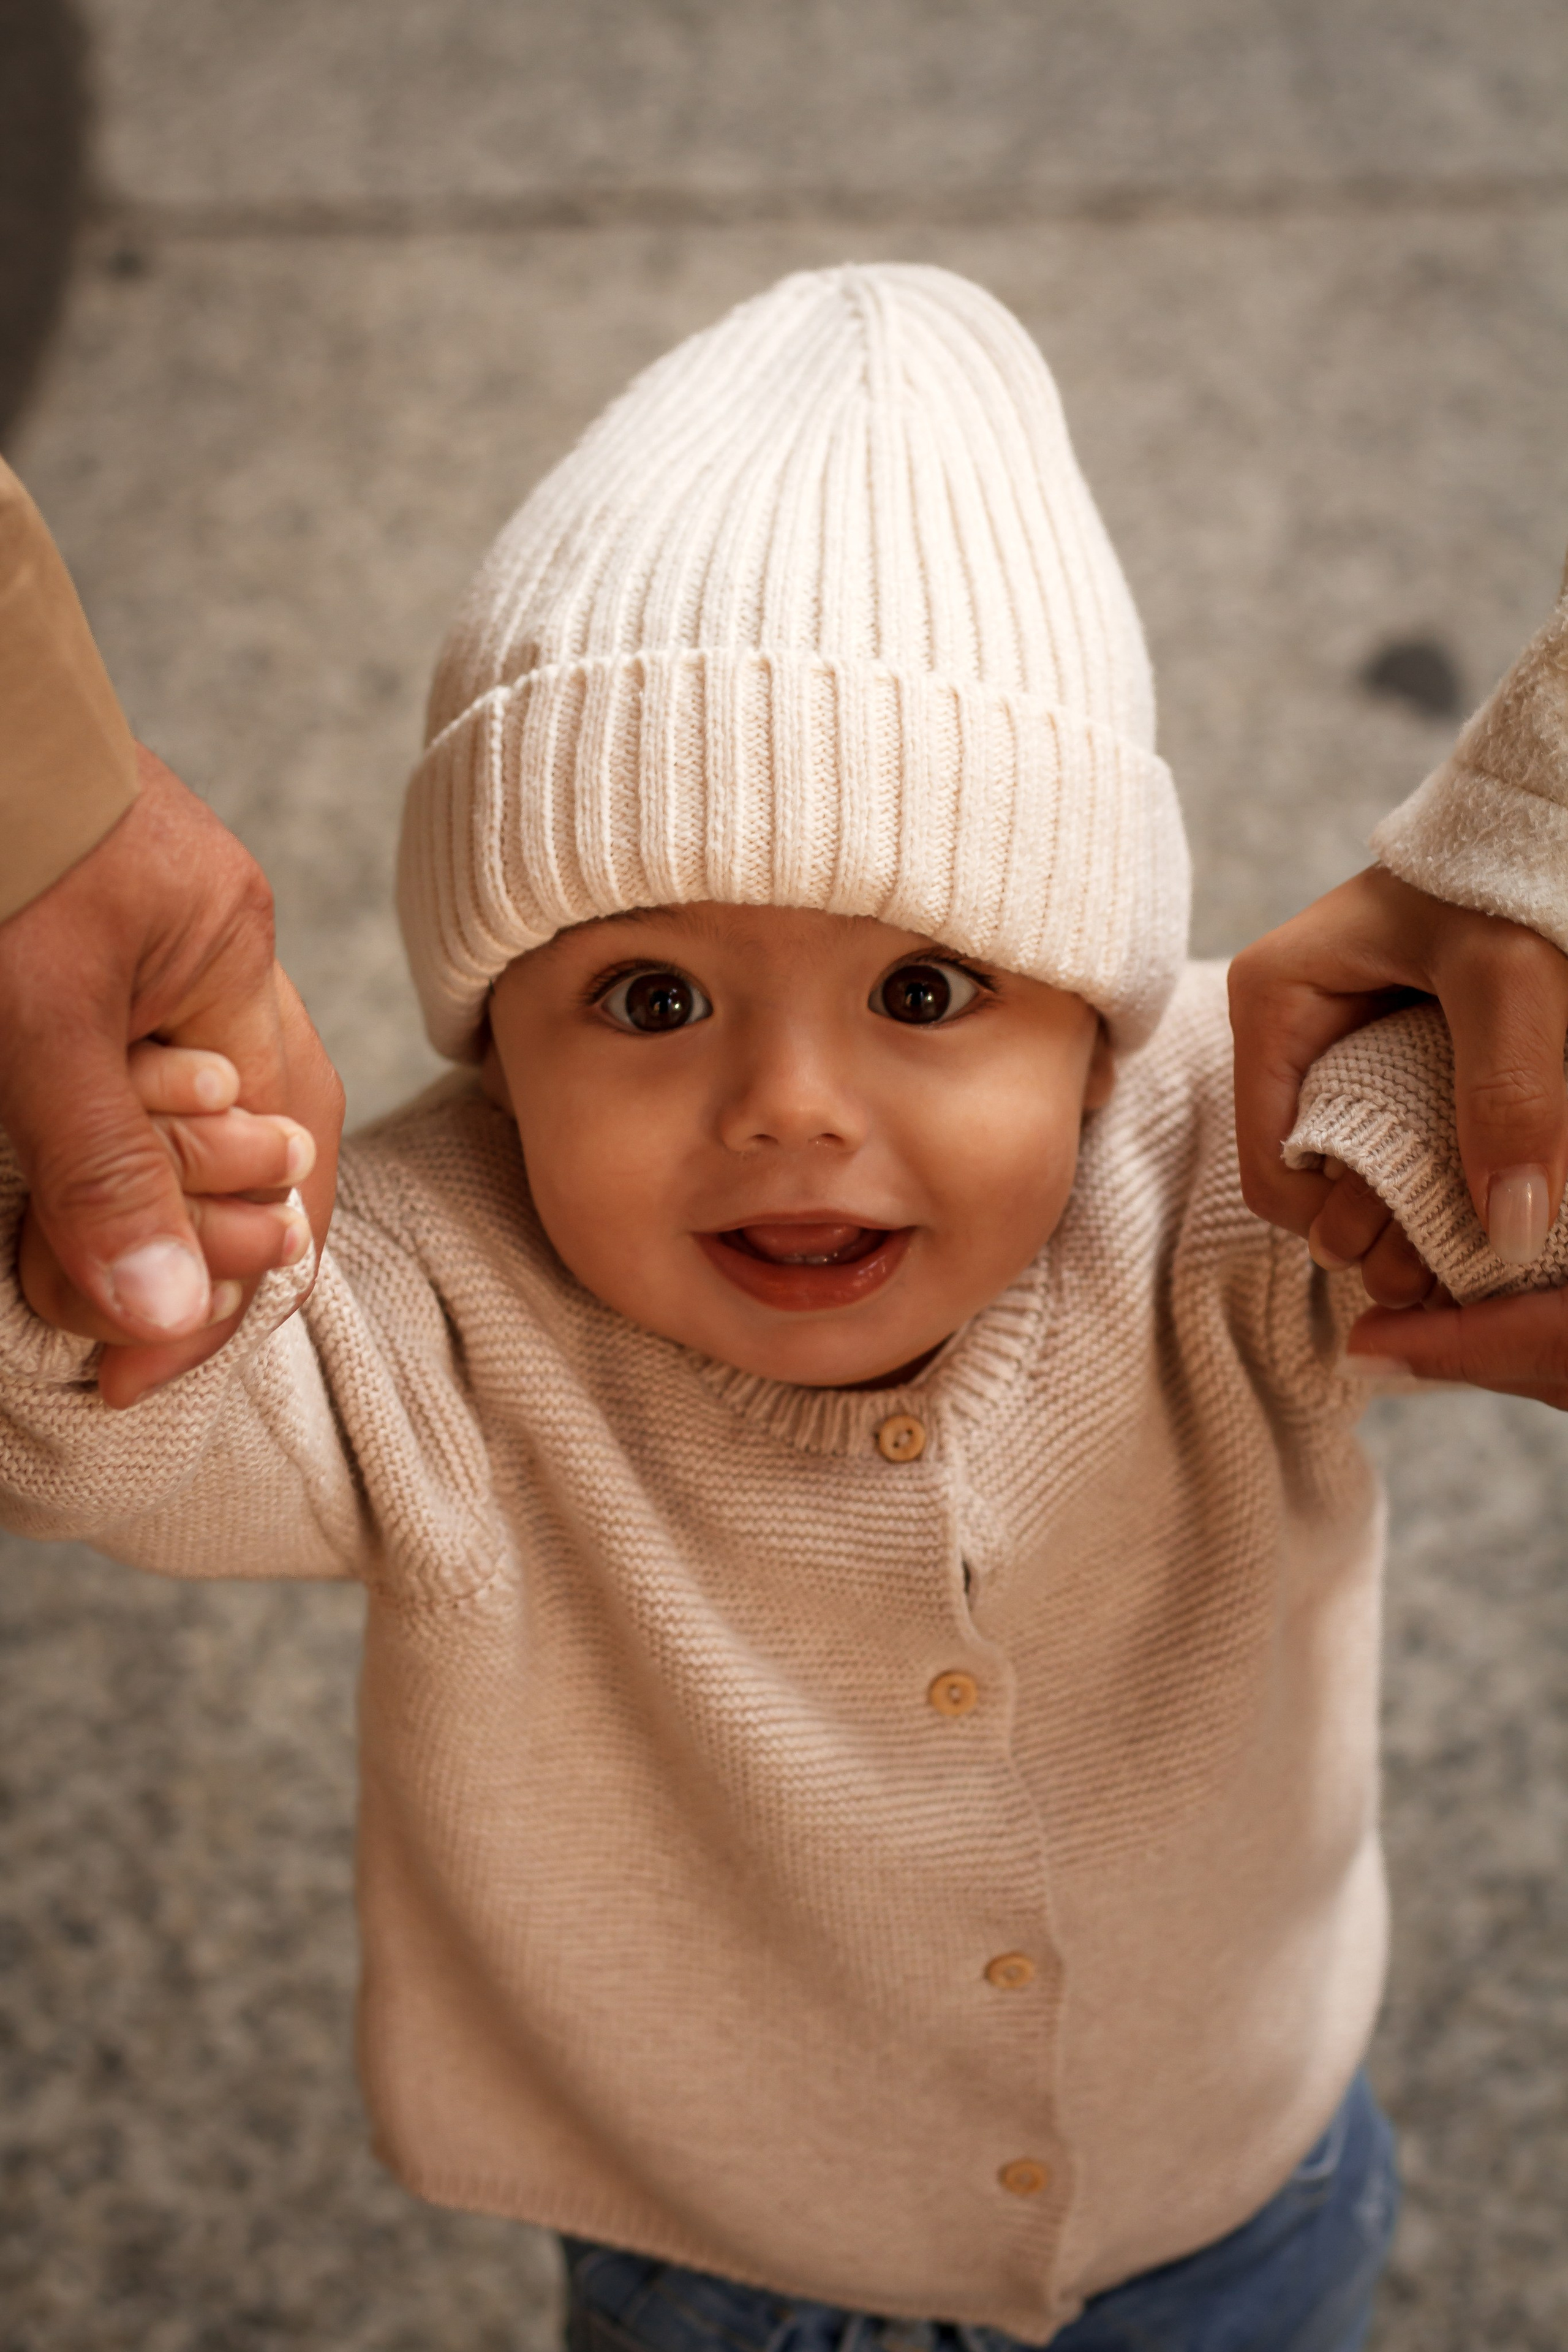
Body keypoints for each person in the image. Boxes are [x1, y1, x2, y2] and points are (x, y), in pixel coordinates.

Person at [0, 265, 1561, 2350]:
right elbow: (139, 1425)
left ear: (1103, 1029)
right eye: (651, 999)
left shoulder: (1228, 1158)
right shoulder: (425, 1285)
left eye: (927, 991)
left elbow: (1497, 1123)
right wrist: (115, 1268)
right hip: (726, 2267)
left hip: (1239, 2186)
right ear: (492, 1053)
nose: (789, 1110)